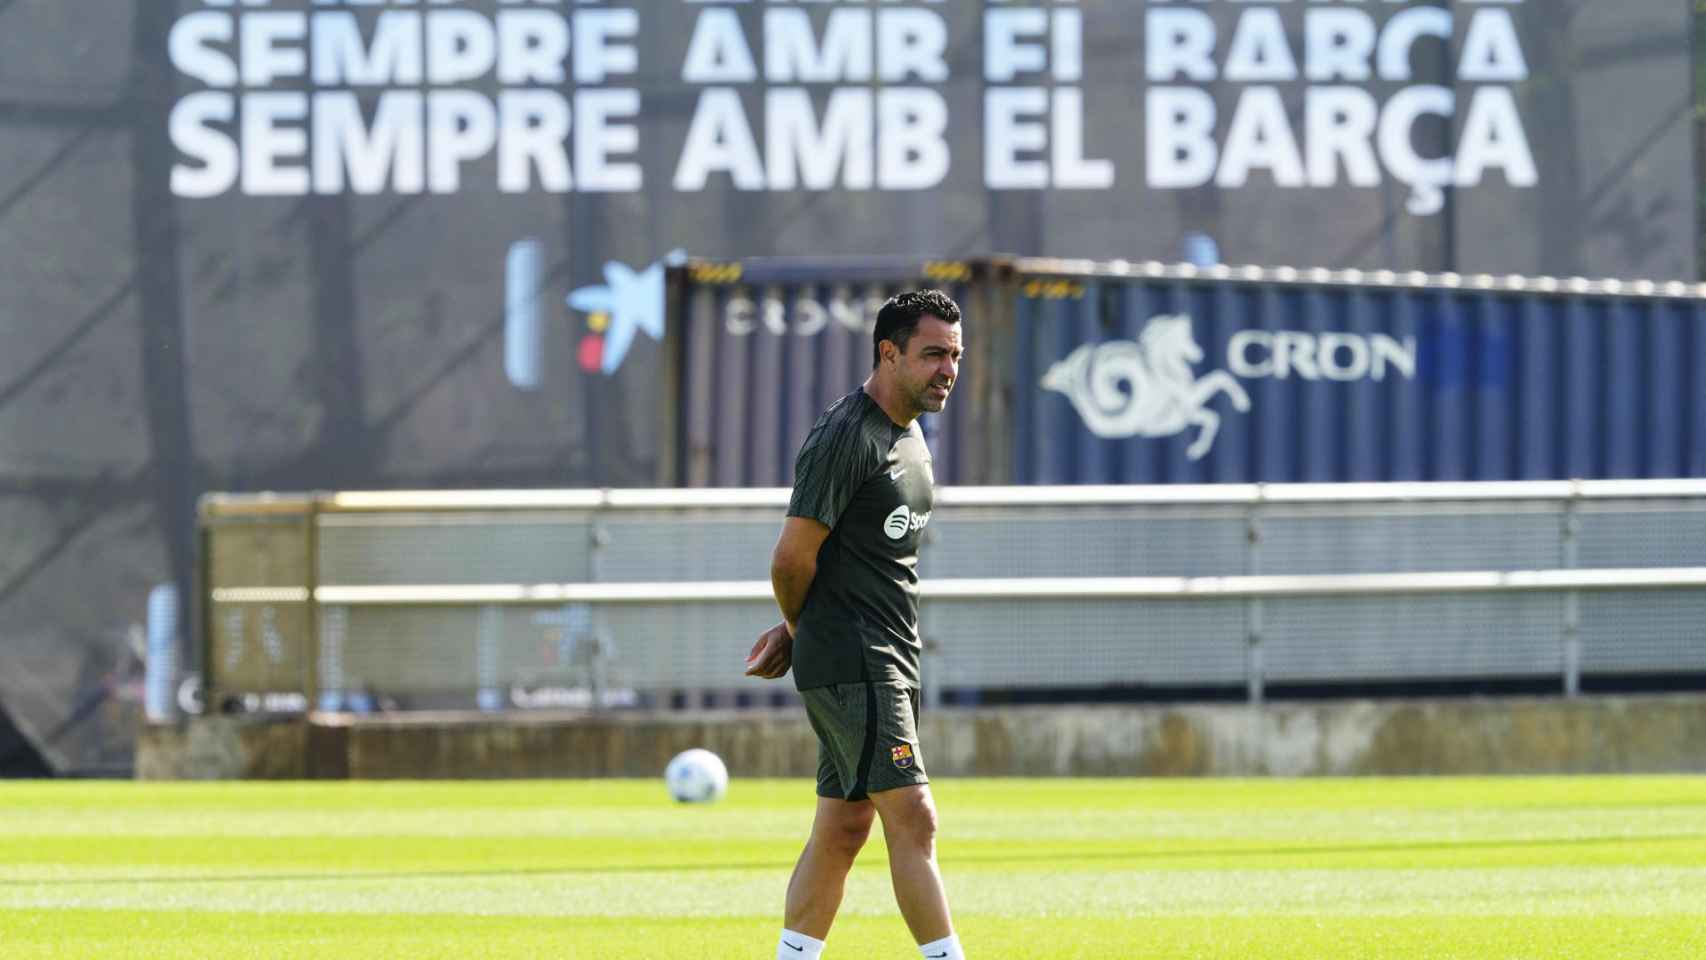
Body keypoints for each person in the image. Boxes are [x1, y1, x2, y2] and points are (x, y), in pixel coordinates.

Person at [745, 290, 967, 960]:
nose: (947, 369)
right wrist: (801, 626)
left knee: (843, 825)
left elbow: (849, 555)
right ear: (889, 352)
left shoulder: (908, 429)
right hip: (857, 656)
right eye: (932, 354)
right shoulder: (848, 435)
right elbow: (791, 557)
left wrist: (797, 630)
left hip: (885, 655)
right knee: (915, 818)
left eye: (955, 355)